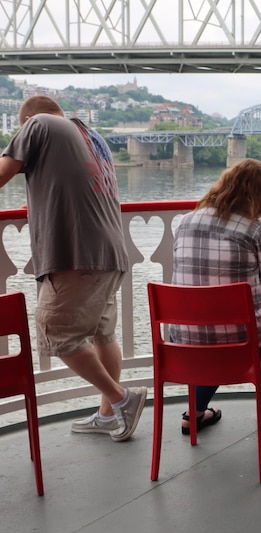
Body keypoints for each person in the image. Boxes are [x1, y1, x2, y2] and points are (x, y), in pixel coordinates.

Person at [0, 95, 147, 442]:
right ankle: (108, 416)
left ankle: (121, 399)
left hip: (76, 254)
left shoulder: (37, 124)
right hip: (111, 253)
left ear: (26, 121)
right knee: (102, 334)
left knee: (55, 330)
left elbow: (3, 173)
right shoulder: (92, 138)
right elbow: (71, 186)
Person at [171, 158, 261, 435]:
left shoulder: (185, 222)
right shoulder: (256, 231)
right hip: (240, 341)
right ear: (259, 196)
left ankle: (194, 413)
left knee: (210, 335)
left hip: (183, 338)